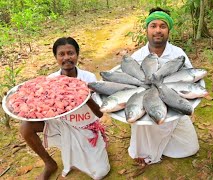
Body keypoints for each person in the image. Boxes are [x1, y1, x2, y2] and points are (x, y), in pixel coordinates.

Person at [20, 37, 110, 179]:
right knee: (25, 127)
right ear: (56, 57)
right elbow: (42, 108)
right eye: (61, 54)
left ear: (77, 55)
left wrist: (85, 97)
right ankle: (49, 163)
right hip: (61, 124)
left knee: (100, 173)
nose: (66, 57)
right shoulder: (51, 79)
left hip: (84, 126)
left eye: (71, 53)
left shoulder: (88, 78)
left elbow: (99, 114)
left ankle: (95, 144)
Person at [128, 7, 199, 166]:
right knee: (142, 147)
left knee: (190, 148)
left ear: (168, 31)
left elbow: (190, 78)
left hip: (172, 106)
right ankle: (145, 148)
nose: (158, 30)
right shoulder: (138, 57)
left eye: (163, 26)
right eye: (153, 26)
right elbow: (129, 85)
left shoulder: (177, 54)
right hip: (146, 107)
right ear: (147, 29)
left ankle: (163, 143)